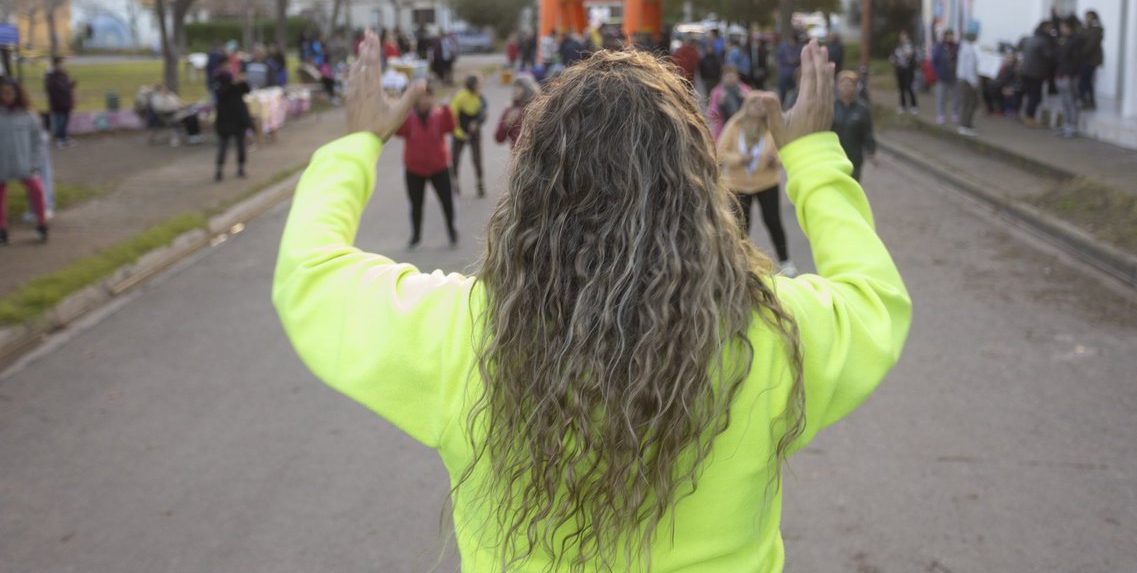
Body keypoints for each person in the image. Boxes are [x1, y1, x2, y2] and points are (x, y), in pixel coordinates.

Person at [274, 35, 910, 572]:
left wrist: (357, 144)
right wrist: (812, 156)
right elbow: (874, 296)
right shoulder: (768, 336)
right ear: (699, 189)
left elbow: (309, 272)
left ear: (530, 191)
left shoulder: (462, 334)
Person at [716, 93, 797, 277]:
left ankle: (785, 260)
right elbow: (721, 152)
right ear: (747, 105)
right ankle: (739, 264)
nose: (759, 106)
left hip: (767, 183)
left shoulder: (771, 126)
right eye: (754, 102)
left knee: (774, 222)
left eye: (762, 104)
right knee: (740, 225)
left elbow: (784, 151)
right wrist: (740, 159)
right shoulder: (735, 125)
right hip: (739, 184)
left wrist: (775, 160)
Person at [0, 79, 48, 244]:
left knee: (37, 190)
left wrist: (35, 162)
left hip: (24, 163)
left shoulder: (28, 114)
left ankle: (42, 224)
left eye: (11, 92)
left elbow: (39, 139)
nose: (7, 95)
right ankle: (2, 229)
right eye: (4, 92)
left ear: (17, 93)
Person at [395, 83, 458, 249]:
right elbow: (399, 132)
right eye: (420, 97)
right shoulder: (409, 117)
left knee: (447, 202)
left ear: (432, 98)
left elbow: (451, 127)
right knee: (416, 205)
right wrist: (401, 109)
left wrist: (447, 108)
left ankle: (451, 231)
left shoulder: (438, 115)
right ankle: (416, 236)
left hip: (439, 168)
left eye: (427, 97)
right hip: (414, 170)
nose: (424, 101)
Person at [831, 70, 877, 181]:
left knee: (852, 184)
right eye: (843, 84)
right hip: (834, 156)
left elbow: (867, 132)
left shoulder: (862, 109)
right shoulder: (831, 107)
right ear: (838, 87)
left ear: (855, 87)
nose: (846, 88)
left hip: (854, 158)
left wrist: (871, 152)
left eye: (849, 85)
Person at [212, 59, 252, 182]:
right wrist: (232, 83)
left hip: (238, 118)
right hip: (225, 118)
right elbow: (220, 94)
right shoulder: (218, 79)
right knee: (223, 145)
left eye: (229, 66)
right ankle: (219, 169)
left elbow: (247, 90)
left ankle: (241, 167)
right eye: (226, 66)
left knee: (241, 145)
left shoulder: (236, 79)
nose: (228, 68)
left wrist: (242, 80)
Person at [450, 75, 488, 198]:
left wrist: (477, 122)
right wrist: (461, 134)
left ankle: (480, 183)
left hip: (474, 132)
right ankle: (454, 183)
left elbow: (485, 113)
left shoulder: (480, 97)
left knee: (477, 159)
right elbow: (452, 118)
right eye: (478, 85)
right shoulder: (460, 97)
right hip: (460, 132)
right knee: (455, 159)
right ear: (472, 85)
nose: (480, 87)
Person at [1019, 23, 1056, 127]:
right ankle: (1029, 117)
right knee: (1035, 96)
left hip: (1025, 71)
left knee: (1031, 95)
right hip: (1036, 72)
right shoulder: (1044, 41)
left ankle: (1027, 116)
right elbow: (1049, 56)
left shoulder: (1029, 39)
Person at [1054, 18, 1085, 138]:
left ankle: (1072, 126)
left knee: (1071, 101)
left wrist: (1068, 73)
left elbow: (1075, 60)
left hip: (1069, 75)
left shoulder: (1075, 41)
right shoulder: (1064, 40)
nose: (1061, 29)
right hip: (1061, 73)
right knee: (1065, 101)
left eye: (1063, 26)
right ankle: (1067, 124)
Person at [494, 74, 540, 148]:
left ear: (528, 89)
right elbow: (499, 138)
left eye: (519, 86)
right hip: (517, 153)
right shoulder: (510, 110)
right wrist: (506, 124)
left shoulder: (537, 108)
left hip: (535, 152)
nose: (515, 89)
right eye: (514, 86)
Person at [708, 64, 751, 139]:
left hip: (743, 128)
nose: (730, 79)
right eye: (727, 77)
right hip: (723, 129)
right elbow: (712, 114)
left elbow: (754, 110)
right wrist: (719, 104)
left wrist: (747, 100)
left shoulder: (745, 90)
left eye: (732, 76)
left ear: (737, 77)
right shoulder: (716, 92)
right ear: (722, 77)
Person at [44, 57, 76, 148]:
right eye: (60, 64)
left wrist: (71, 85)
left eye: (62, 64)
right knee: (60, 122)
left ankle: (64, 137)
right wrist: (67, 86)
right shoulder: (51, 77)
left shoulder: (64, 75)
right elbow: (55, 89)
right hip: (58, 103)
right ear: (55, 65)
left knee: (65, 121)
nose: (62, 66)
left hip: (66, 102)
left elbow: (66, 87)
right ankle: (60, 139)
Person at [930, 30, 958, 125]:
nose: (950, 37)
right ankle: (940, 114)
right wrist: (938, 71)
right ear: (945, 36)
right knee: (941, 96)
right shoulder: (939, 47)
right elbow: (934, 61)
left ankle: (955, 112)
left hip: (954, 76)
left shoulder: (956, 47)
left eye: (951, 35)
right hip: (942, 76)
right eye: (948, 35)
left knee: (955, 96)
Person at [956, 33, 980, 137]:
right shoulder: (969, 50)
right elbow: (969, 68)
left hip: (963, 79)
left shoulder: (964, 48)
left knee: (966, 103)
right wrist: (974, 82)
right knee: (971, 103)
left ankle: (965, 124)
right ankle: (965, 125)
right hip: (967, 81)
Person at [889, 31, 919, 115]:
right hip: (900, 70)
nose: (903, 38)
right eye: (901, 37)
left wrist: (910, 55)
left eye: (904, 36)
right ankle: (902, 106)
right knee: (901, 88)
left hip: (908, 70)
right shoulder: (897, 46)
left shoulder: (911, 45)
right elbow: (892, 57)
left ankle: (914, 106)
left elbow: (914, 56)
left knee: (909, 87)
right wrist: (894, 60)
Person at [1079, 10, 1104, 110]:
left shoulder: (1096, 29)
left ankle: (1087, 101)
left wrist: (1081, 53)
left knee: (1085, 81)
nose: (1086, 19)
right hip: (1086, 59)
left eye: (1088, 17)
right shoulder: (1086, 27)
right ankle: (1087, 101)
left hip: (1090, 60)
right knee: (1086, 81)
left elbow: (1091, 44)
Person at [776, 32, 803, 107]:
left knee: (794, 91)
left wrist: (795, 60)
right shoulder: (783, 47)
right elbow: (778, 58)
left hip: (794, 74)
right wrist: (781, 66)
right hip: (784, 72)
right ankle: (782, 104)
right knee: (782, 89)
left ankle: (792, 105)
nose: (793, 44)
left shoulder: (799, 48)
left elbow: (801, 59)